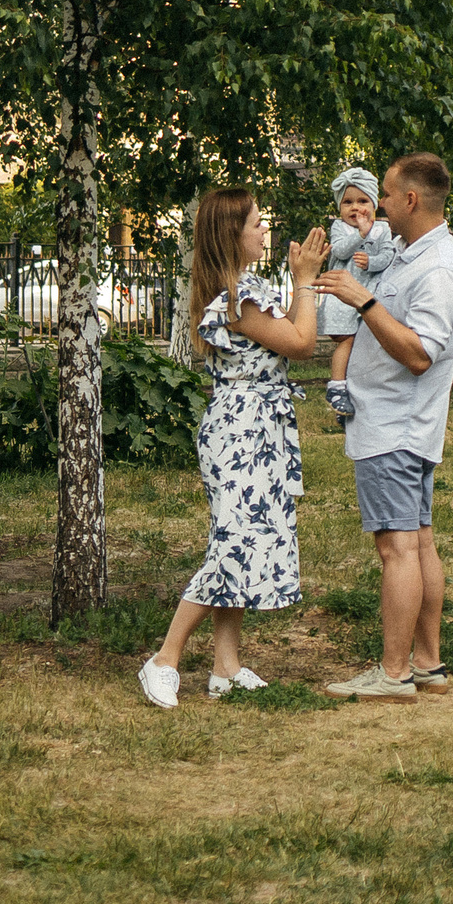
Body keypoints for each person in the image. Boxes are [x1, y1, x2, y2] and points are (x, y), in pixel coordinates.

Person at [138, 189, 327, 710]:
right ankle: (165, 658)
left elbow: (287, 330)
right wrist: (305, 282)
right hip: (242, 429)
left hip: (255, 425)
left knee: (241, 540)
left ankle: (226, 666)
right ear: (232, 234)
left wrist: (298, 284)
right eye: (258, 224)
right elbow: (302, 343)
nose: (266, 231)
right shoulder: (237, 296)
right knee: (234, 545)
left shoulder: (248, 288)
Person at [314, 152, 453, 703]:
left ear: (410, 200)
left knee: (397, 550)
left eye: (384, 193)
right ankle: (426, 664)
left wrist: (364, 300)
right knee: (419, 543)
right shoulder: (407, 252)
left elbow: (420, 354)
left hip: (396, 427)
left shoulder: (439, 270)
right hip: (397, 425)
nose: (377, 203)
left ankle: (395, 673)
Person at [318, 166, 400, 426]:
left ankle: (351, 400)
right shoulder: (340, 228)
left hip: (368, 298)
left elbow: (388, 255)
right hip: (343, 300)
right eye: (348, 202)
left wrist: (373, 262)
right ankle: (337, 386)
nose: (356, 208)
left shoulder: (383, 230)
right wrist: (360, 235)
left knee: (365, 348)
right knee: (348, 342)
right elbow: (340, 251)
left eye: (363, 201)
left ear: (375, 205)